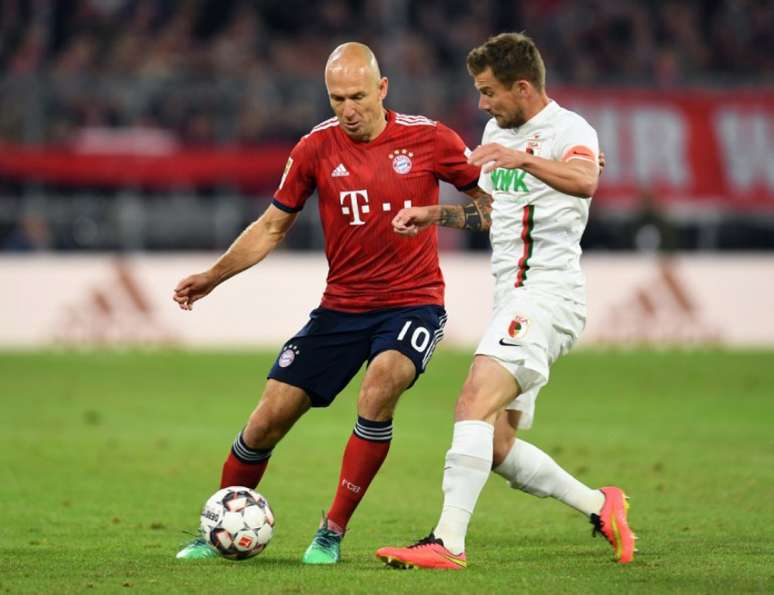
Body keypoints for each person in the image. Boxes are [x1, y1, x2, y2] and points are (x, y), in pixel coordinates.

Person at [172, 42, 487, 564]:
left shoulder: (431, 139)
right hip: (341, 308)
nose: (348, 109)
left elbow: (489, 209)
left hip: (413, 304)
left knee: (379, 387)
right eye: (337, 98)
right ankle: (216, 528)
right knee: (268, 418)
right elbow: (272, 225)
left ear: (382, 89)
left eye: (358, 96)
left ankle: (331, 531)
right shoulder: (314, 148)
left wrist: (436, 215)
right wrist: (214, 276)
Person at [376, 32, 636, 569]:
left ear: (522, 87)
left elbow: (586, 179)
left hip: (547, 294)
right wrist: (434, 215)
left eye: (488, 91)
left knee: (471, 400)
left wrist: (523, 156)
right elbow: (495, 212)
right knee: (494, 443)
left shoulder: (570, 130)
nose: (481, 104)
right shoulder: (499, 129)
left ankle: (447, 542)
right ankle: (599, 505)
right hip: (511, 297)